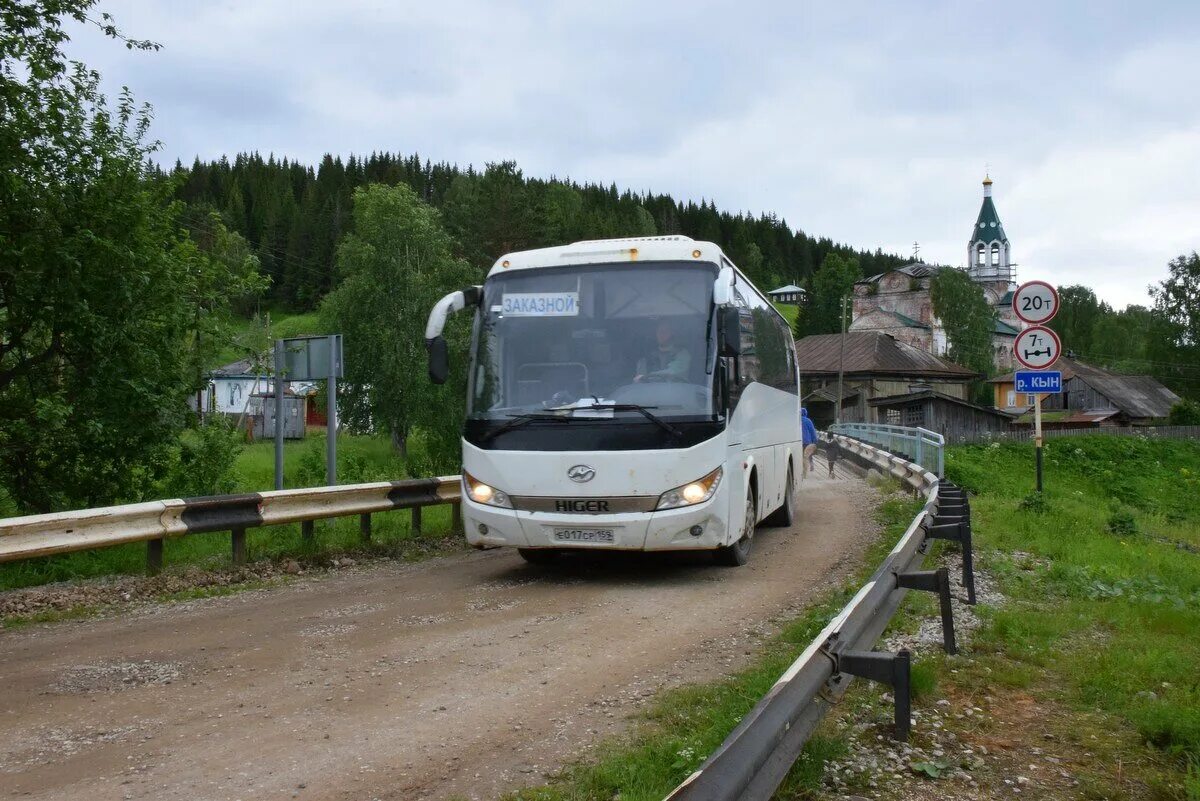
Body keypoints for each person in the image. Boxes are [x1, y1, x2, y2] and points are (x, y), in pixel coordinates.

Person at [801, 407, 818, 477]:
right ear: (806, 413)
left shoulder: (796, 420)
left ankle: (801, 470)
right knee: (807, 456)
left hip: (799, 442)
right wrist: (815, 441)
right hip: (807, 442)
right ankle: (809, 467)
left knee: (801, 456)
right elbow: (812, 431)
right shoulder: (808, 421)